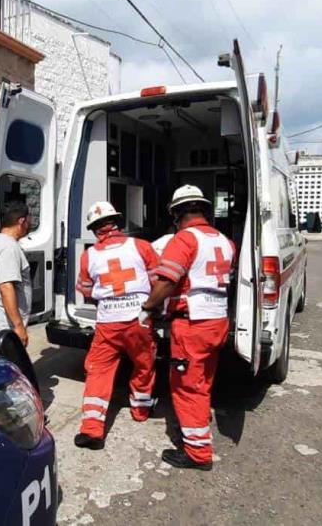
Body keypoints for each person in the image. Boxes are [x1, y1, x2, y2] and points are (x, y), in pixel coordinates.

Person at [140, 185, 235, 471]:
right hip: (217, 320)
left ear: (177, 213)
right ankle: (199, 426)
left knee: (186, 387)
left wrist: (149, 306)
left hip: (193, 323)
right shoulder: (225, 240)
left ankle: (197, 453)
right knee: (202, 381)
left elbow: (168, 280)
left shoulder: (184, 240)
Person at [73, 202, 160, 450]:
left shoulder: (89, 256)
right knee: (144, 364)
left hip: (108, 321)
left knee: (98, 370)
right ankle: (141, 411)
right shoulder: (142, 247)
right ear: (118, 223)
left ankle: (91, 429)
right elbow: (158, 280)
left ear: (94, 230)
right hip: (139, 319)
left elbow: (86, 289)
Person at [0, 201, 32, 345]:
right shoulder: (9, 248)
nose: (29, 225)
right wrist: (18, 326)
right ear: (21, 221)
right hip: (5, 325)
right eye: (28, 221)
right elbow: (5, 286)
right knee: (10, 366)